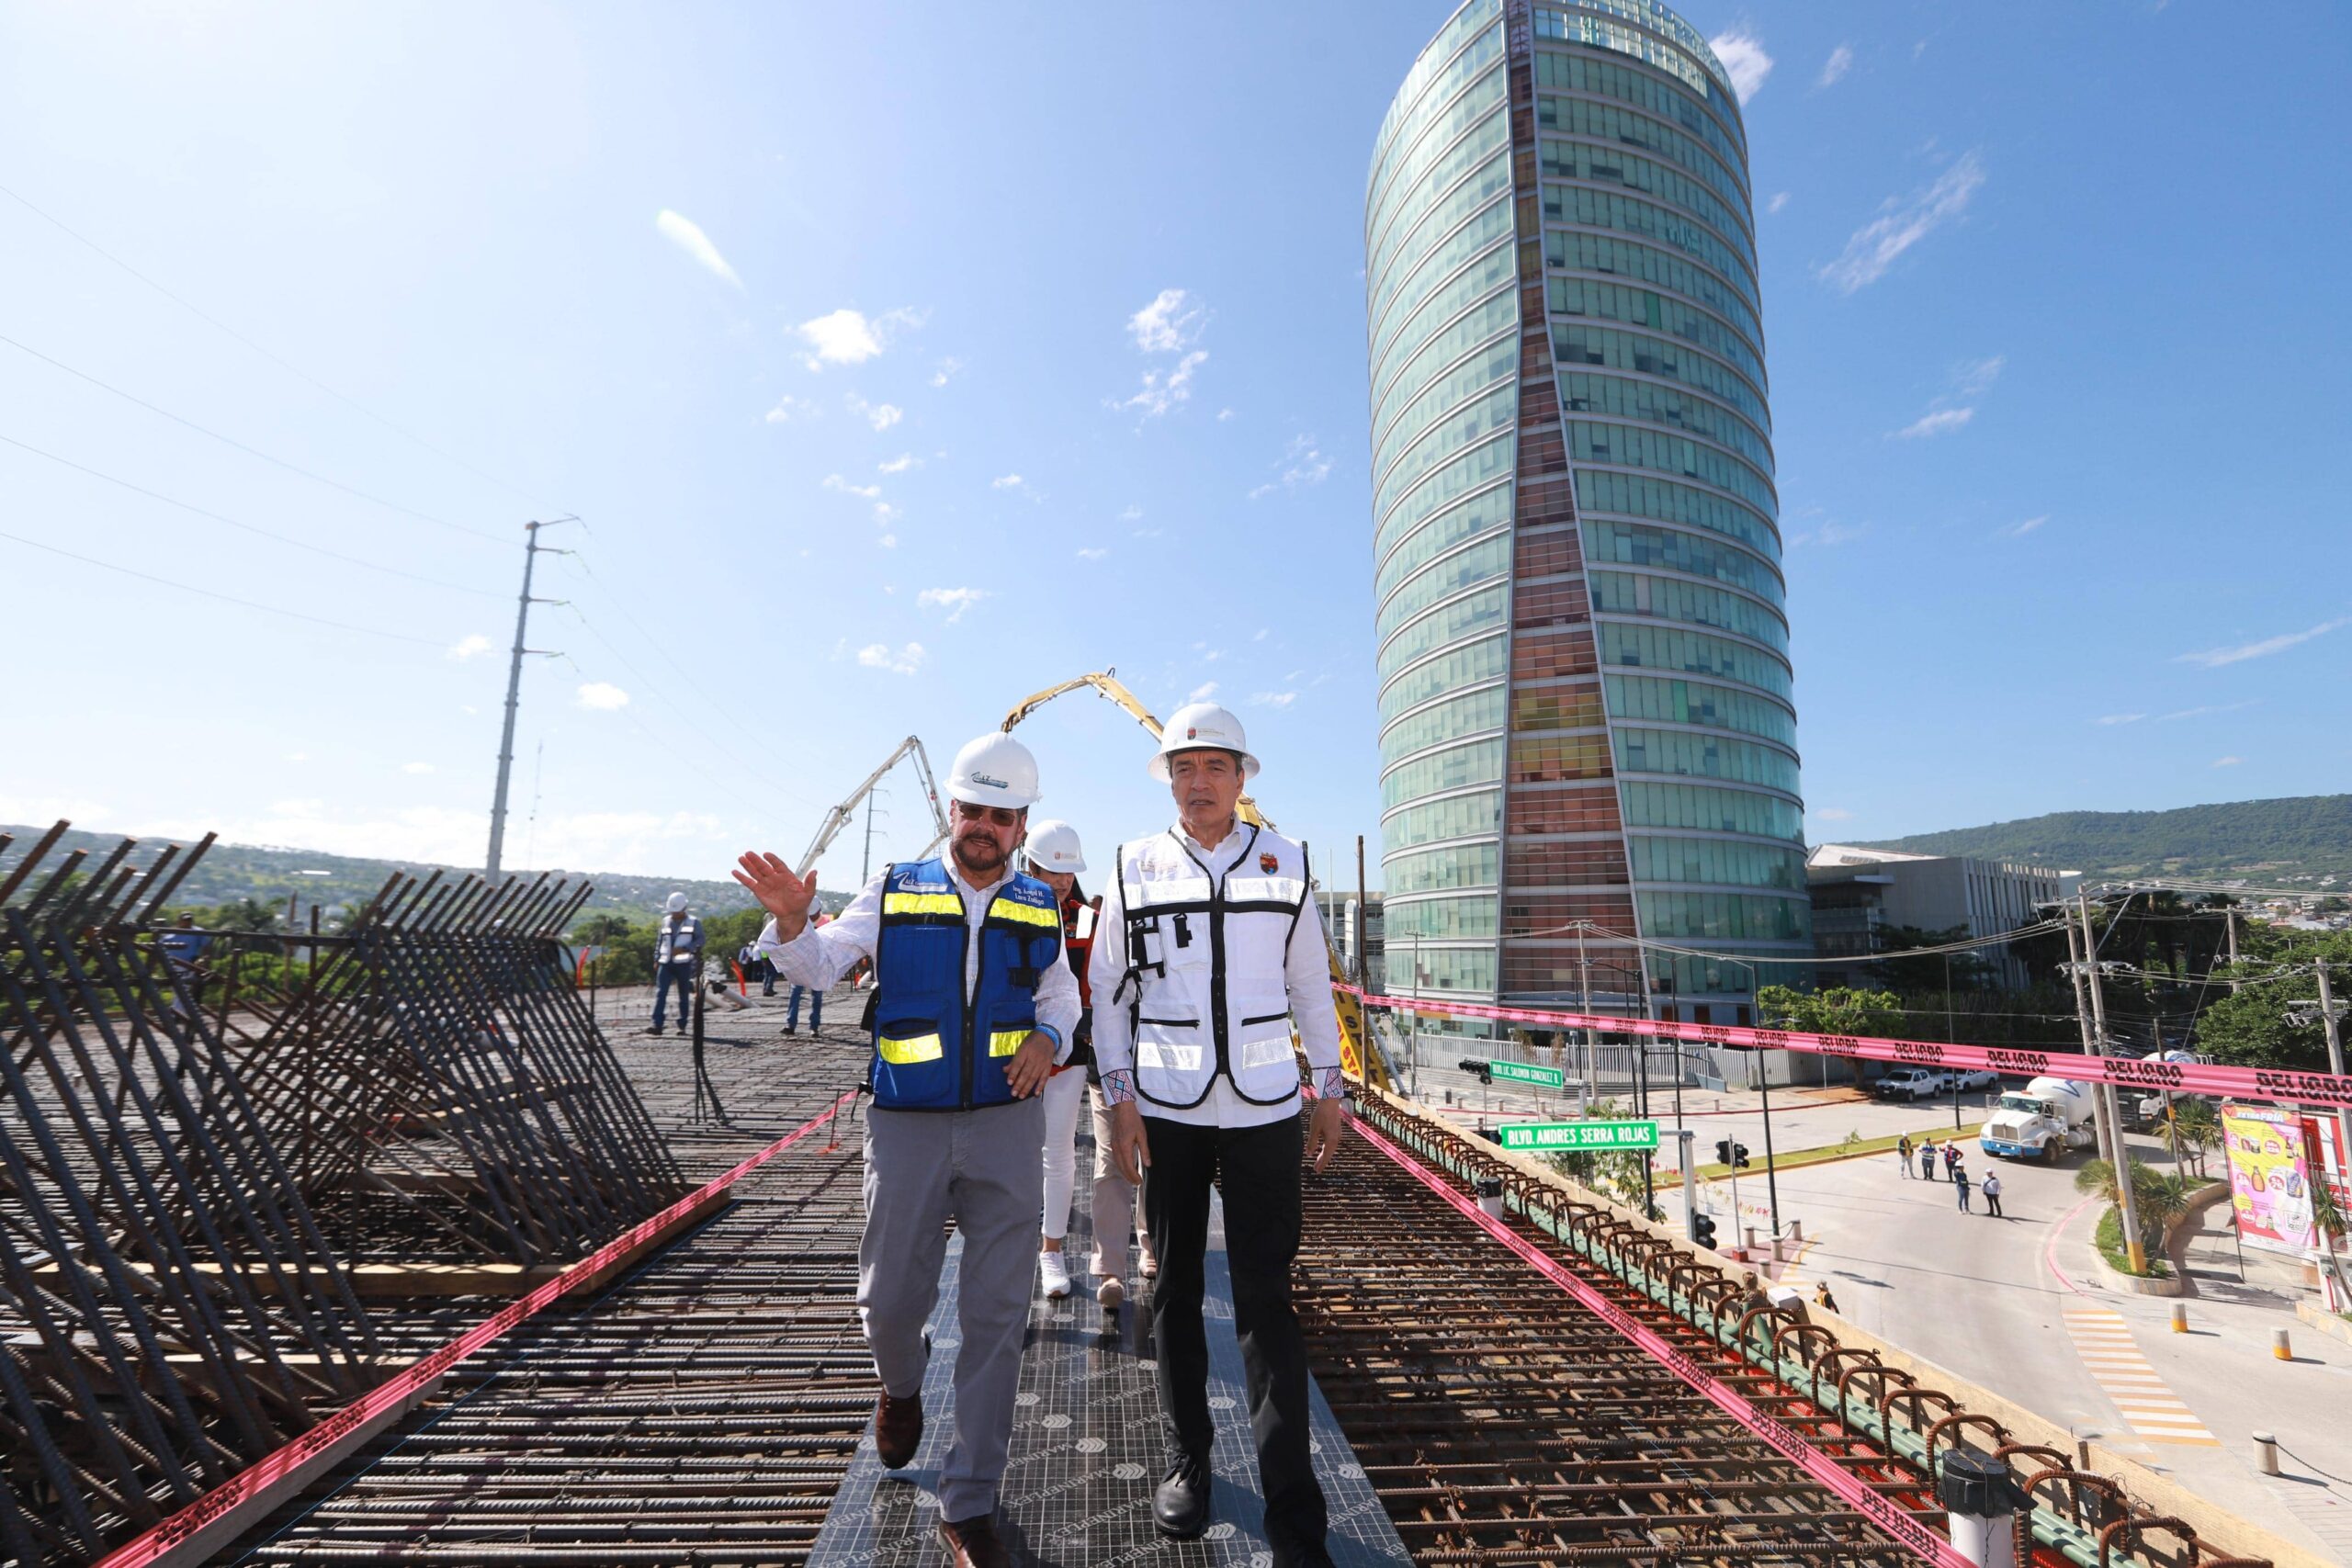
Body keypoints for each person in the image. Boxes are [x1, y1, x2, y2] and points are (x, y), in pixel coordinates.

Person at [738, 732, 1077, 1568]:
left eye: (1003, 816)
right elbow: (819, 966)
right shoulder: (892, 888)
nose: (986, 828)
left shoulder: (1039, 903)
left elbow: (1061, 991)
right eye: (974, 811)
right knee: (889, 1302)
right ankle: (900, 1383)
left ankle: (969, 1505)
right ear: (950, 811)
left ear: (1021, 823)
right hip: (906, 1125)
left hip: (1006, 1121)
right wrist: (788, 920)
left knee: (998, 1320)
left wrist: (1049, 1035)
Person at [1094, 702, 1347, 1568]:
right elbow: (1109, 999)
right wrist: (1121, 1099)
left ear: (1244, 778)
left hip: (1267, 1108)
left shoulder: (1286, 863)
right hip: (1166, 1110)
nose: (1198, 782)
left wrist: (1331, 1087)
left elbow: (1311, 985)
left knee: (1266, 1302)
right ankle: (1189, 1459)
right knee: (1171, 1295)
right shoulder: (1133, 865)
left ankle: (1294, 1514)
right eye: (1183, 767)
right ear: (1168, 777)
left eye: (1215, 767)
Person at [1021, 819, 1099, 1303]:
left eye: (1068, 874)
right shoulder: (1001, 909)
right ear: (1029, 865)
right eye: (1053, 871)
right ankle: (1011, 1246)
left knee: (1058, 1151)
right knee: (1006, 1157)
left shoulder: (1088, 918)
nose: (1062, 881)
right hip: (1006, 1055)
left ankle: (1051, 1251)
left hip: (1066, 1055)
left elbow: (1093, 982)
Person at [649, 893, 702, 1036]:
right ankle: (657, 1024)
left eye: (677, 911)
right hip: (665, 963)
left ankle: (682, 1025)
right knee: (661, 993)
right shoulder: (665, 921)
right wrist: (656, 959)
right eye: (673, 911)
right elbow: (660, 941)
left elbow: (700, 940)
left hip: (683, 964)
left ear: (684, 908)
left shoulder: (694, 922)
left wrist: (685, 949)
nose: (675, 914)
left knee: (683, 995)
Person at [785, 909, 831, 1034]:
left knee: (816, 997)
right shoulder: (800, 923)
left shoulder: (826, 923)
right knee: (795, 994)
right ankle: (790, 1024)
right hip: (800, 964)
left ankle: (814, 1026)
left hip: (817, 965)